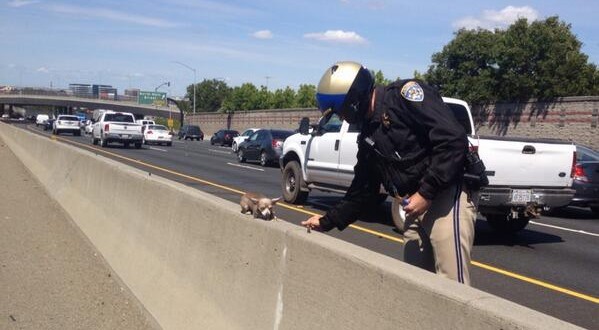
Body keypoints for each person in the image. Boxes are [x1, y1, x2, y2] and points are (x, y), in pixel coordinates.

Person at [301, 61, 479, 285]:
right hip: (415, 204)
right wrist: (327, 221)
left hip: (446, 195)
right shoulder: (369, 133)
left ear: (354, 100)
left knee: (452, 285)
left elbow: (453, 140)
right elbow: (363, 190)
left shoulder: (404, 97)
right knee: (416, 282)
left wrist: (426, 193)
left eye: (342, 112)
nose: (344, 118)